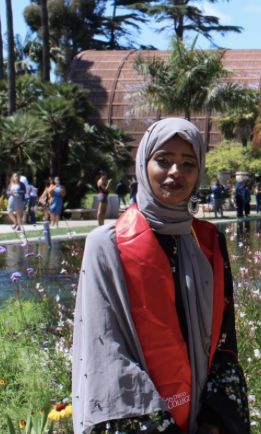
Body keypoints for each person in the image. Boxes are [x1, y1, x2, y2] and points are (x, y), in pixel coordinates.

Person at [73, 118, 250, 434]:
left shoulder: (209, 242)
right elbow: (106, 347)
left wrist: (213, 419)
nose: (176, 172)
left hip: (202, 416)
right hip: (140, 420)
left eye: (188, 163)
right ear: (143, 164)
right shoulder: (107, 244)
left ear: (199, 172)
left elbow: (225, 338)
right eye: (163, 160)